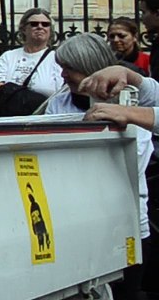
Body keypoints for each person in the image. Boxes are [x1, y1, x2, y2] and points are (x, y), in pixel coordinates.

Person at [49, 34, 153, 299]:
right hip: (72, 222)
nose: (62, 75)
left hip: (123, 224)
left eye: (68, 68)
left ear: (89, 66)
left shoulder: (131, 106)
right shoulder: (57, 104)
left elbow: (129, 160)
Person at [0, 7, 63, 102]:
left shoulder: (57, 59)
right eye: (34, 24)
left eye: (45, 24)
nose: (40, 27)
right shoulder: (8, 57)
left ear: (50, 30)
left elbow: (61, 93)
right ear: (23, 29)